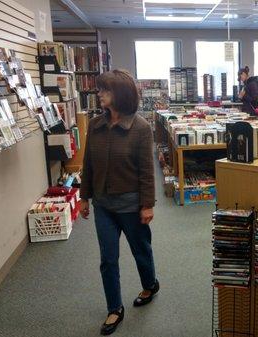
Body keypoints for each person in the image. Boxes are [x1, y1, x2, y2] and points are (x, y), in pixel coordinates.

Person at [79, 69, 158, 336]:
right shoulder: (95, 126)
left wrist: (147, 204)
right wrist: (84, 197)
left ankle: (150, 284)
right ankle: (115, 308)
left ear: (120, 94)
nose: (99, 93)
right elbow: (88, 164)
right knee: (108, 259)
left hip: (132, 206)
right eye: (100, 89)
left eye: (105, 90)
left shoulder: (141, 128)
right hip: (103, 205)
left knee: (141, 250)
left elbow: (147, 171)